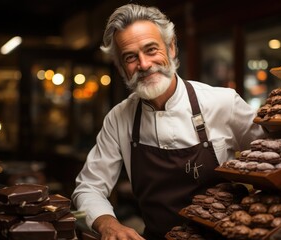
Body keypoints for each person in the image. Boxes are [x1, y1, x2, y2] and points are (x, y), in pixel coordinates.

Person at [72, 3, 267, 240]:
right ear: (121, 67)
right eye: (131, 57)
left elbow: (273, 164)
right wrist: (108, 225)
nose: (144, 65)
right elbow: (89, 186)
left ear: (172, 47)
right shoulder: (118, 119)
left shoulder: (222, 103)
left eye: (151, 49)